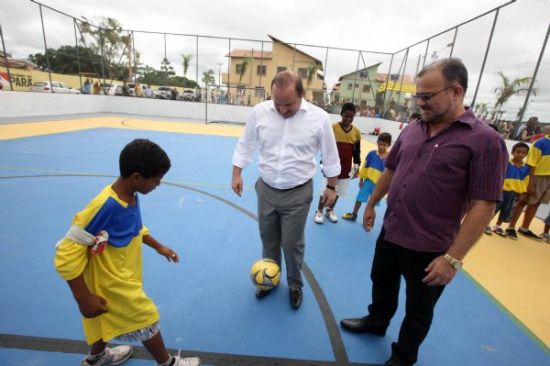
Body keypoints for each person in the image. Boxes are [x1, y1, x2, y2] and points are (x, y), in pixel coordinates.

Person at [340, 58, 508, 366]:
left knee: (419, 310)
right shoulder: (413, 128)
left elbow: (484, 206)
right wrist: (372, 203)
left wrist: (452, 259)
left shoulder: (485, 141)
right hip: (392, 232)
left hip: (432, 248)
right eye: (417, 95)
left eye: (427, 96)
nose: (420, 102)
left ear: (456, 92)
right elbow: (391, 169)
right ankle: (377, 322)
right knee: (382, 283)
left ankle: (403, 357)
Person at [54, 139, 200, 366]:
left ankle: (97, 358)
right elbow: (66, 252)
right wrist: (83, 297)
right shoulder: (105, 206)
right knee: (145, 316)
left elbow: (134, 228)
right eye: (156, 180)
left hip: (122, 273)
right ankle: (167, 363)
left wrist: (157, 245)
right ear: (136, 177)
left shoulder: (130, 195)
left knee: (103, 317)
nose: (158, 184)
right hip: (112, 281)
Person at [231, 70, 340, 309]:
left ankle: (294, 285)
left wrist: (331, 187)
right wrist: (237, 172)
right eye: (277, 103)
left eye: (288, 104)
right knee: (268, 239)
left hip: (298, 192)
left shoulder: (318, 118)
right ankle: (270, 280)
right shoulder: (260, 112)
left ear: (302, 94)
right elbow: (245, 143)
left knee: (291, 243)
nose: (282, 109)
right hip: (266, 188)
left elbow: (330, 155)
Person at [314, 102, 361, 224]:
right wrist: (323, 163)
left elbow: (357, 151)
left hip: (345, 168)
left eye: (351, 117)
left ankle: (330, 210)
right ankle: (319, 211)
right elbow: (326, 147)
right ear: (341, 114)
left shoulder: (356, 132)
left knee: (338, 191)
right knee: (326, 188)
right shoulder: (332, 128)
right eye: (346, 116)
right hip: (331, 167)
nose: (348, 119)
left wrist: (356, 165)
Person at [505, 125, 550, 240]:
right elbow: (531, 163)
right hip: (536, 176)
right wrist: (530, 182)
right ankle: (511, 227)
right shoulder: (541, 143)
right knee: (523, 201)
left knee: (536, 202)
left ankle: (525, 227)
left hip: (548, 178)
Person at [342, 132, 392, 222]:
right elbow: (365, 167)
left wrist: (386, 187)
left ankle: (369, 219)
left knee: (373, 203)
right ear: (377, 142)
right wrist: (361, 179)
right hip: (368, 182)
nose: (381, 147)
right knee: (359, 198)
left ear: (389, 145)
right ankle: (354, 214)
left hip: (379, 186)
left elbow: (389, 174)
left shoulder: (390, 158)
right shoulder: (371, 154)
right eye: (380, 144)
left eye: (384, 145)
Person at [483, 142, 530, 236]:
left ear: (526, 154)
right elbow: (499, 175)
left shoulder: (526, 168)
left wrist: (521, 193)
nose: (520, 154)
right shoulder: (507, 164)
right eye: (518, 152)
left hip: (513, 194)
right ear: (512, 152)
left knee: (506, 210)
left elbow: (525, 180)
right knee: (494, 208)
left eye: (523, 153)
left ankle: (497, 226)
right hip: (502, 191)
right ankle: (485, 224)